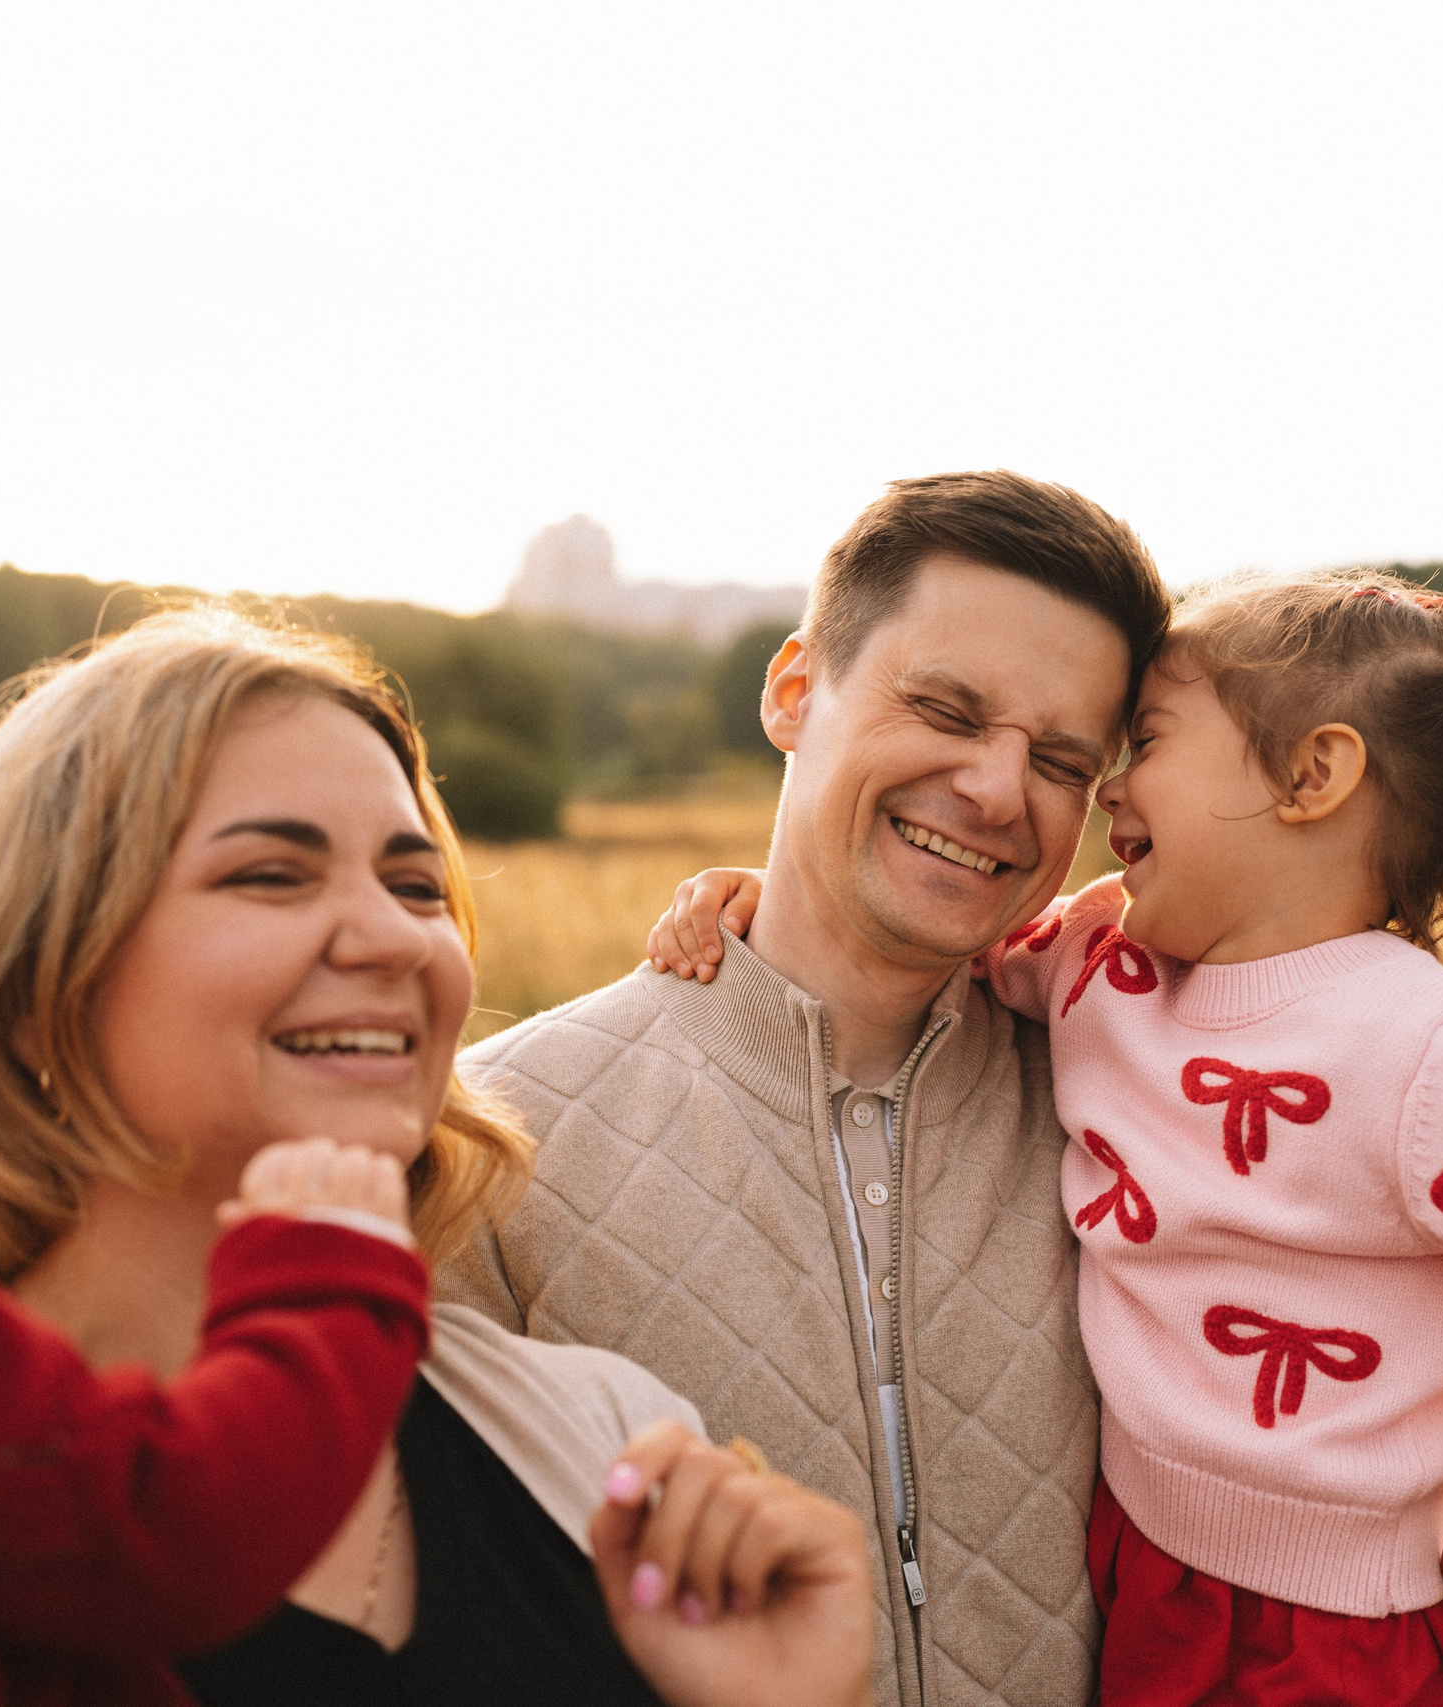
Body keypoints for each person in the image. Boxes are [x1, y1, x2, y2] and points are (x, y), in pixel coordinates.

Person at [650, 570, 1443, 1705]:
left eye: (1149, 741)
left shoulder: (1425, 1048)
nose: (1111, 791)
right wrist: (771, 896)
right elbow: (934, 935)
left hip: (1343, 1637)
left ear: (1310, 776)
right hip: (1138, 1573)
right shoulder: (1098, 961)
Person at [0, 608, 874, 1707]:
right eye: (271, 876)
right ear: (33, 985)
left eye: (416, 885)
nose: (389, 936)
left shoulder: (600, 1440)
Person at [440, 470, 1173, 1707]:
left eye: (1059, 758)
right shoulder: (493, 1138)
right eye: (942, 707)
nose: (997, 791)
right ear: (792, 689)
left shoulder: (1148, 1101)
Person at [0, 851, 431, 1707]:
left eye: (417, 885)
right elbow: (172, 1522)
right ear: (43, 1002)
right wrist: (328, 1289)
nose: (391, 938)